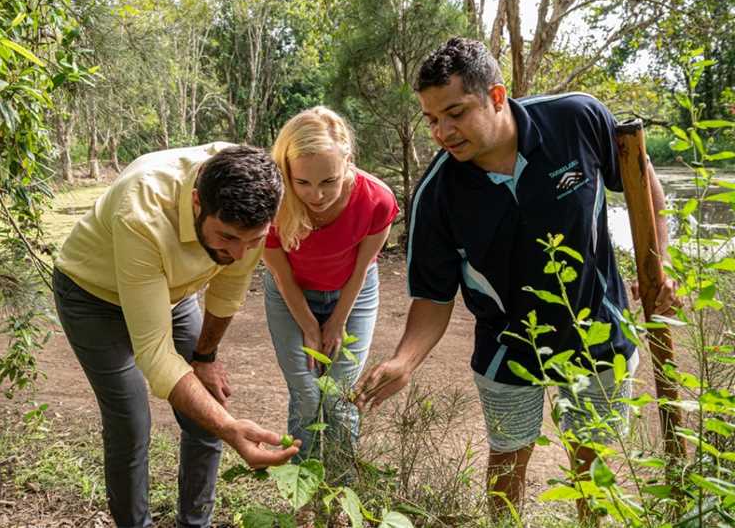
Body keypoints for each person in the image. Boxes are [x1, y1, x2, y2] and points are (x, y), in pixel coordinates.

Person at [353, 38, 677, 523]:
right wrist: (404, 360)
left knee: (593, 467)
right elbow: (433, 299)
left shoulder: (577, 119)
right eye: (432, 119)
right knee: (507, 463)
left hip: (600, 332)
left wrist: (659, 262)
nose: (443, 131)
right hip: (508, 347)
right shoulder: (437, 194)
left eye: (455, 113)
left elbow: (639, 179)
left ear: (497, 96)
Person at [53, 143, 299, 528]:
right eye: (227, 237)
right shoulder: (143, 208)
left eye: (252, 241)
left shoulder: (252, 193)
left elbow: (229, 287)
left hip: (172, 290)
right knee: (131, 422)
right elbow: (155, 353)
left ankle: (194, 523)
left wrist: (205, 357)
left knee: (207, 409)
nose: (238, 253)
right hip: (93, 297)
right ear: (198, 201)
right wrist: (231, 429)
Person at [263, 107, 399, 466]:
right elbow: (280, 274)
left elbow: (361, 269)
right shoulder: (271, 202)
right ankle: (303, 495)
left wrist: (337, 320)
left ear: (348, 163)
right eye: (302, 183)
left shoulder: (377, 200)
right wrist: (309, 325)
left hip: (352, 291)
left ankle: (340, 493)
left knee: (338, 397)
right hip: (290, 292)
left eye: (328, 182)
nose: (316, 195)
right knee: (307, 394)